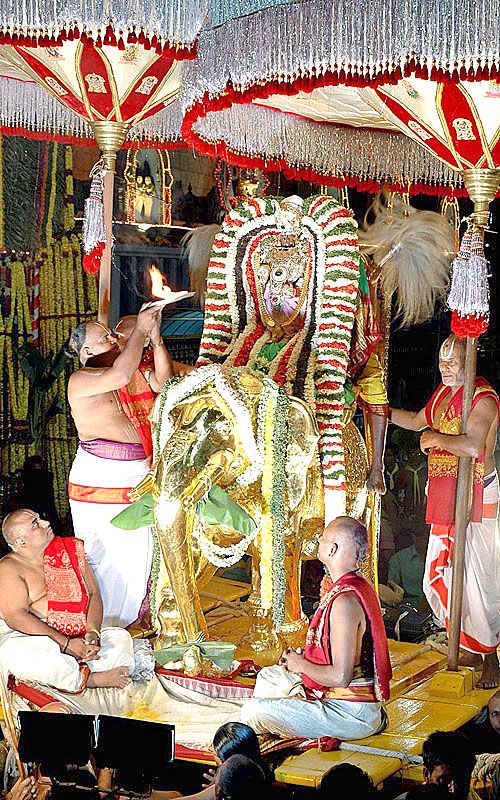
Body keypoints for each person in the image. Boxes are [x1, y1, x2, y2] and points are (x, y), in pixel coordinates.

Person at [390, 334, 500, 688]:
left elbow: (473, 445)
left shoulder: (484, 399)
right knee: (446, 577)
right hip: (446, 494)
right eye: (442, 362)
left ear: (470, 361)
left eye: (452, 362)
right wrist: (380, 411)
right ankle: (468, 645)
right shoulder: (442, 394)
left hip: (477, 497)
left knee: (479, 582)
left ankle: (491, 657)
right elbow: (416, 420)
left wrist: (436, 440)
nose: (445, 368)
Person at [241, 516, 391, 739]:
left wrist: (301, 664)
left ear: (332, 549)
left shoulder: (344, 602)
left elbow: (341, 677)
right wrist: (306, 661)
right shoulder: (356, 585)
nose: (319, 541)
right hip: (344, 701)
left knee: (252, 711)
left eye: (323, 538)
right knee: (269, 676)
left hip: (350, 714)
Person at [66, 303, 167, 627]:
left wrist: (155, 337)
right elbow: (120, 374)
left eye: (112, 335)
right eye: (104, 338)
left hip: (137, 473)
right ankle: (104, 626)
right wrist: (140, 330)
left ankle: (132, 625)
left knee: (140, 554)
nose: (113, 339)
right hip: (101, 478)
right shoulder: (81, 379)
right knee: (106, 558)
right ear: (86, 352)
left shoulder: (126, 373)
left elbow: (163, 384)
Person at [0, 509, 135, 692]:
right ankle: (89, 679)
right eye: (35, 524)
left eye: (40, 519)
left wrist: (92, 633)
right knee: (17, 654)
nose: (46, 523)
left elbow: (93, 593)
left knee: (120, 640)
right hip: (32, 635)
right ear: (21, 541)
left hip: (77, 631)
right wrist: (65, 644)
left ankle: (75, 666)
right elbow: (16, 617)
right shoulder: (8, 568)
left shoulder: (70, 551)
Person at [388, 528, 428, 609]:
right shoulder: (399, 559)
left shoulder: (440, 558)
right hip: (408, 608)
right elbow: (392, 588)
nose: (428, 542)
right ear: (414, 537)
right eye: (425, 539)